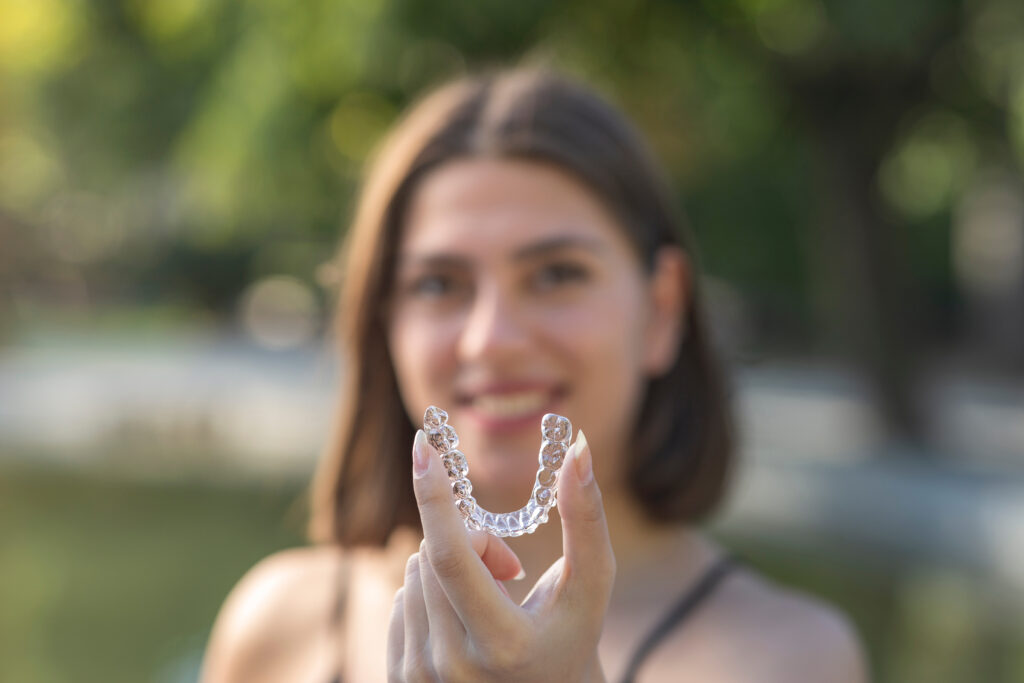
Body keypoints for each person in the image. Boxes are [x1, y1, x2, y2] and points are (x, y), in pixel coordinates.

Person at [200, 67, 868, 682]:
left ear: (661, 310)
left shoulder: (791, 657)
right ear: (384, 325)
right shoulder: (278, 628)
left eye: (556, 275)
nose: (493, 340)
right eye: (439, 283)